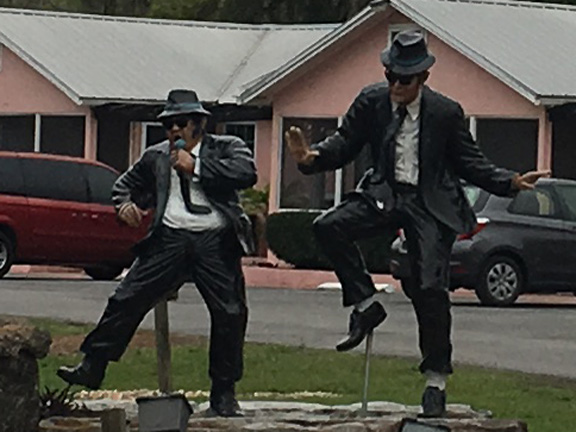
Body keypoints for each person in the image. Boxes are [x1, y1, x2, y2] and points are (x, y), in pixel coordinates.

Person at [285, 31, 549, 417]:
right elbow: (345, 142)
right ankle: (365, 304)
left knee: (429, 288)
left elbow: (469, 162)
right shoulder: (372, 101)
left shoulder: (445, 113)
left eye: (404, 79)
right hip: (385, 193)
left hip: (430, 203)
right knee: (329, 225)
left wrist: (508, 182)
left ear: (423, 77)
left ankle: (435, 381)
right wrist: (311, 157)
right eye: (390, 76)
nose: (395, 85)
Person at [57, 89, 257, 417]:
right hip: (170, 238)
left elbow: (246, 174)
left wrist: (197, 166)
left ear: (199, 123)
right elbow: (124, 185)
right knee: (127, 296)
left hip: (215, 240)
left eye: (181, 123)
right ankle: (93, 364)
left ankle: (223, 393)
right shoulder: (156, 156)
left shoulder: (227, 147)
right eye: (168, 125)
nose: (174, 130)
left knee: (230, 313)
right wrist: (124, 205)